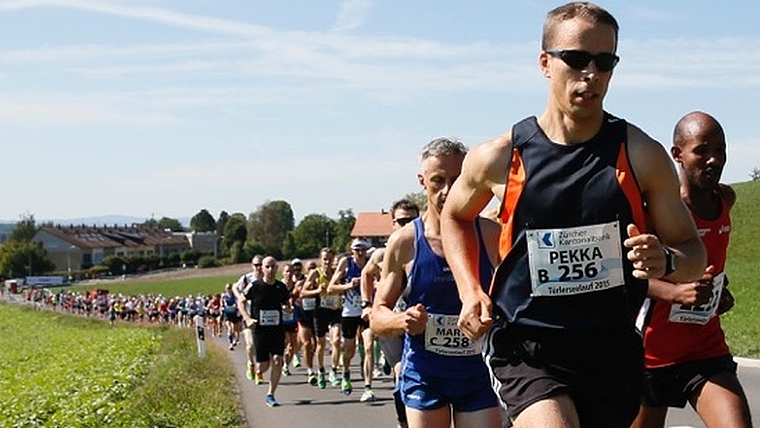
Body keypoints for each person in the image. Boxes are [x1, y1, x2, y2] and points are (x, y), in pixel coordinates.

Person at [439, 3, 707, 427]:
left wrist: (667, 261)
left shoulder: (640, 155)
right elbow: (453, 217)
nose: (592, 74)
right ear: (545, 63)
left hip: (610, 350)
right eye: (577, 59)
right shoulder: (499, 156)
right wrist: (469, 288)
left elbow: (694, 254)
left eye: (605, 62)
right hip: (527, 347)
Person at [631, 111, 752, 428]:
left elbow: (711, 264)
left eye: (720, 150)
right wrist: (675, 292)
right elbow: (627, 276)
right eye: (701, 150)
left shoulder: (725, 200)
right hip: (650, 355)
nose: (714, 160)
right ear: (677, 155)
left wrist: (719, 294)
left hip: (705, 349)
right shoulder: (656, 212)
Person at [372, 137, 502, 428]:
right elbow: (377, 316)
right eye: (438, 181)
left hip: (478, 372)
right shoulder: (405, 242)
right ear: (422, 181)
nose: (447, 191)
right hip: (425, 373)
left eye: (456, 181)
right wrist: (402, 320)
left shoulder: (493, 236)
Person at [360, 199, 420, 414]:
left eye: (412, 220)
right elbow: (365, 275)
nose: (407, 225)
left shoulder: (428, 247)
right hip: (391, 319)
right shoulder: (381, 254)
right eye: (401, 221)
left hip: (419, 319)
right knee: (402, 371)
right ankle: (404, 417)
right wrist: (366, 304)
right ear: (393, 223)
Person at [237, 256, 291, 408]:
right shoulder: (255, 286)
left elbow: (286, 303)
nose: (270, 269)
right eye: (267, 266)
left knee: (277, 360)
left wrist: (288, 308)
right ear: (262, 268)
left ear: (277, 268)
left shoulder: (281, 287)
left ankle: (271, 394)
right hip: (260, 330)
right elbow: (241, 301)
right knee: (264, 366)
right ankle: (254, 367)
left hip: (276, 329)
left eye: (273, 266)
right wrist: (247, 318)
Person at [328, 238, 371, 395]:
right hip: (350, 312)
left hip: (366, 310)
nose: (361, 253)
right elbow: (331, 287)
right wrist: (349, 285)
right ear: (352, 250)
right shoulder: (346, 263)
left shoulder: (370, 262)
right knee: (349, 350)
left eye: (363, 250)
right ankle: (345, 373)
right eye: (357, 250)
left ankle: (368, 387)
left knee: (368, 347)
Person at [303, 247, 339, 389]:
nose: (327, 262)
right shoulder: (315, 273)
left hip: (335, 309)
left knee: (336, 339)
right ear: (320, 259)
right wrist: (317, 290)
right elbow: (303, 292)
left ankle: (334, 371)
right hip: (320, 311)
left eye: (330, 259)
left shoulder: (337, 273)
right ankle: (321, 371)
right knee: (321, 343)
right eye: (325, 259)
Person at [233, 254, 264, 381]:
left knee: (262, 347)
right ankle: (251, 364)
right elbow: (235, 286)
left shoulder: (267, 278)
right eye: (256, 265)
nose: (258, 267)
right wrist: (239, 296)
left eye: (260, 265)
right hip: (248, 315)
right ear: (252, 266)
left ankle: (259, 370)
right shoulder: (247, 278)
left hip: (263, 316)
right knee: (250, 345)